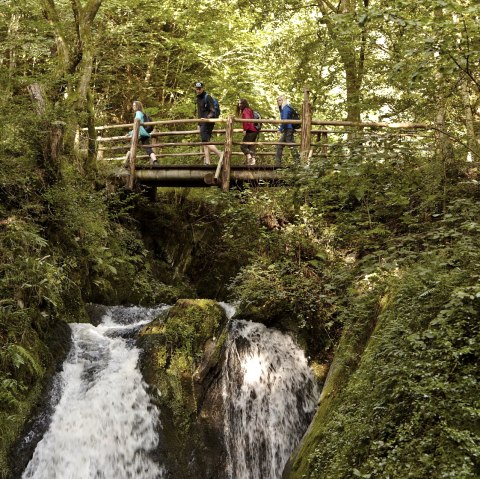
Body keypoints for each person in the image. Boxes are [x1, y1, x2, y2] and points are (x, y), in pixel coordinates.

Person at [194, 82, 223, 165]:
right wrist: (199, 123)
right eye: (197, 88)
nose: (198, 90)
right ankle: (207, 161)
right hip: (202, 122)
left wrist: (206, 119)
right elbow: (200, 112)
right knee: (206, 140)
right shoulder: (198, 98)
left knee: (205, 140)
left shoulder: (207, 97)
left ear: (203, 88)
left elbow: (212, 110)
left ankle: (220, 154)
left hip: (208, 121)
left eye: (199, 88)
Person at [124, 100, 158, 167]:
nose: (133, 107)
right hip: (144, 133)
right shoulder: (142, 113)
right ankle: (155, 161)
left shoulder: (138, 113)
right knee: (148, 148)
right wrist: (130, 132)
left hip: (139, 133)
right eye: (133, 105)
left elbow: (137, 125)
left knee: (132, 146)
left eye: (134, 105)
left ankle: (129, 163)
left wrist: (130, 133)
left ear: (138, 106)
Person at [275, 95, 299, 167]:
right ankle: (278, 164)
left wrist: (280, 129)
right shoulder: (284, 108)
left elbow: (284, 120)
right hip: (288, 129)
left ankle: (297, 162)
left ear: (283, 101)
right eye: (277, 100)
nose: (278, 102)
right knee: (282, 145)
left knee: (290, 145)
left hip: (288, 129)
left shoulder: (285, 108)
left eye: (279, 100)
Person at [236, 99, 258, 165]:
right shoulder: (249, 110)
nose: (240, 105)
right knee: (250, 146)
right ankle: (252, 162)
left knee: (243, 146)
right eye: (239, 104)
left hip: (250, 130)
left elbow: (247, 120)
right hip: (254, 130)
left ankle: (250, 157)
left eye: (241, 104)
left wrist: (245, 130)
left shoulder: (246, 110)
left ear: (244, 104)